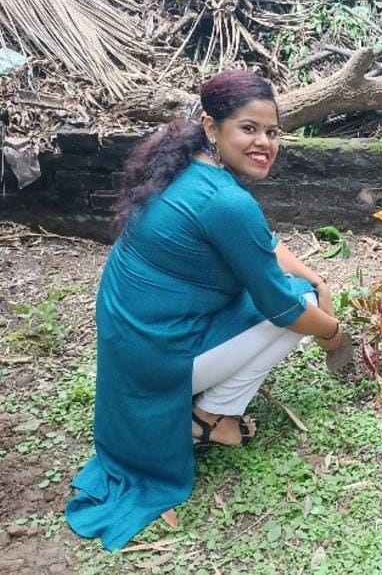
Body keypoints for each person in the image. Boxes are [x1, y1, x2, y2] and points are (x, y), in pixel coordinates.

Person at [66, 70, 345, 551]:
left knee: (303, 289)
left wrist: (320, 279)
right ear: (212, 126)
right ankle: (212, 418)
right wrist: (334, 335)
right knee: (297, 303)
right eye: (249, 128)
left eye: (273, 132)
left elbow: (262, 244)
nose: (265, 143)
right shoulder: (225, 201)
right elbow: (281, 306)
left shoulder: (185, 168)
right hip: (157, 355)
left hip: (133, 343)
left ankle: (209, 409)